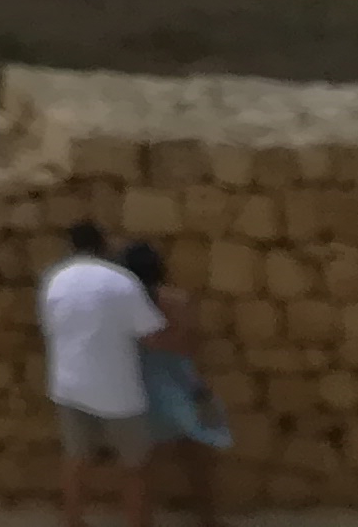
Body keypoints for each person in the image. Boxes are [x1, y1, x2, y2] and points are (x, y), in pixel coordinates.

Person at [40, 220, 168, 527]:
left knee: (76, 458)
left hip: (68, 384)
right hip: (117, 389)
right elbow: (151, 335)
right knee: (135, 466)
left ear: (72, 246)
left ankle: (72, 521)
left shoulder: (55, 280)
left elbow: (50, 327)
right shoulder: (121, 282)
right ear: (103, 244)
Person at [119, 241, 228, 525]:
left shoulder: (123, 304)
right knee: (196, 458)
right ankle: (208, 517)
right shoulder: (177, 300)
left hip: (140, 387)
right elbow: (189, 344)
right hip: (178, 382)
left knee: (142, 465)